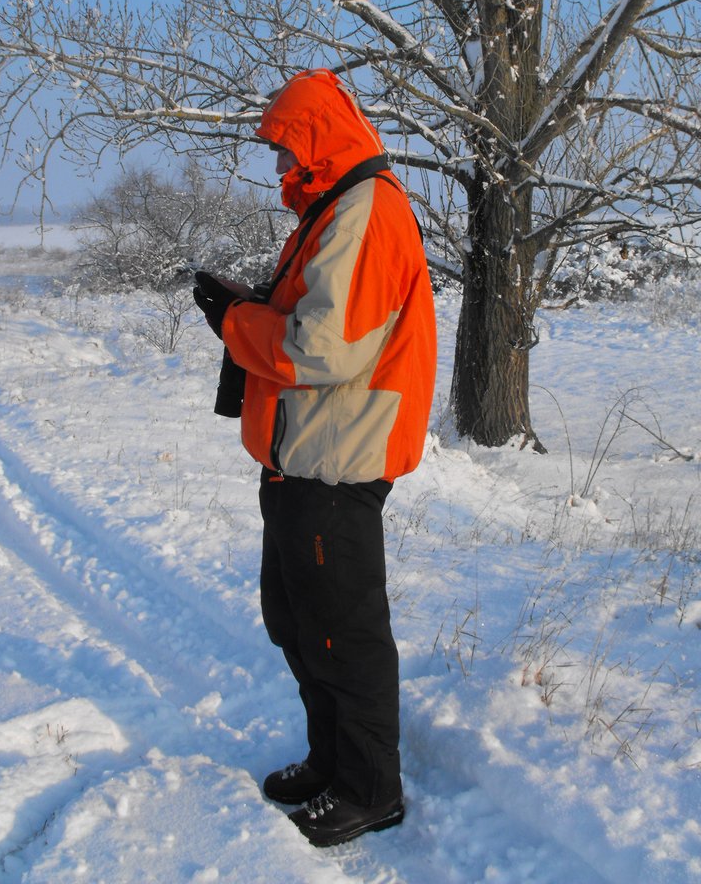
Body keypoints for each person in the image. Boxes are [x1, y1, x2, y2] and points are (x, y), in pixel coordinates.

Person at [193, 68, 437, 848]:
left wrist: (235, 322)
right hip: (304, 456)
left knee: (343, 634)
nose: (277, 166)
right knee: (299, 623)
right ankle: (333, 761)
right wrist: (250, 304)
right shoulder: (336, 209)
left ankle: (371, 790)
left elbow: (321, 348)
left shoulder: (365, 210)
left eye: (284, 149)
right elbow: (313, 317)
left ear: (317, 142)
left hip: (338, 460)